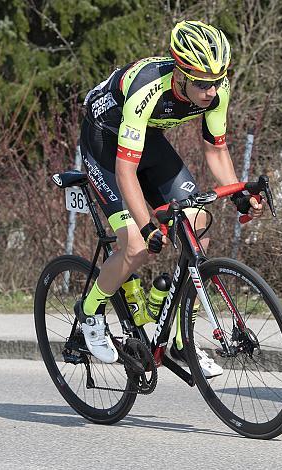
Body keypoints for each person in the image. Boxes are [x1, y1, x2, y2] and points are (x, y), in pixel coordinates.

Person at [77, 20, 263, 377]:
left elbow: (216, 150)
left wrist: (239, 194)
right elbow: (125, 172)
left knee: (199, 223)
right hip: (104, 142)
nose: (212, 90)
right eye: (203, 83)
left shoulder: (216, 88)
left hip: (145, 139)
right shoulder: (148, 88)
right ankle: (89, 312)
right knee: (135, 245)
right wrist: (147, 227)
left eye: (218, 79)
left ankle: (181, 340)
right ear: (180, 74)